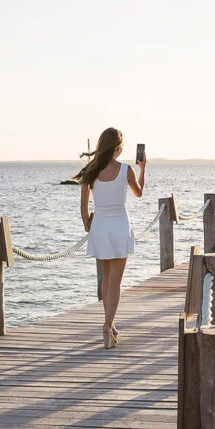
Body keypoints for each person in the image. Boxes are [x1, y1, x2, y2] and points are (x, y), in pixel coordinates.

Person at [74, 127, 145, 348]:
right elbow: (139, 192)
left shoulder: (90, 171)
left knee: (106, 278)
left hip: (101, 226)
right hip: (120, 226)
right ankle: (107, 325)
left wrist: (88, 225)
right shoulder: (125, 170)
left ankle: (110, 325)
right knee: (115, 282)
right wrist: (142, 169)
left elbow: (84, 207)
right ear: (118, 148)